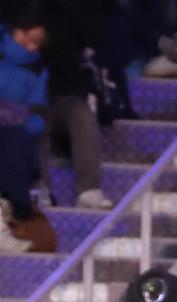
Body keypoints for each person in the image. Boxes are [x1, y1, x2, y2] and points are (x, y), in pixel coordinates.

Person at [40, 0, 114, 210]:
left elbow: (92, 36)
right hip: (26, 101)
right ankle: (38, 191)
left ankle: (89, 190)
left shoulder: (67, 15)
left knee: (81, 114)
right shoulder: (18, 18)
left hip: (62, 97)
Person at [0, 5, 56, 252]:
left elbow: (36, 112)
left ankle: (14, 207)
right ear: (17, 32)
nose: (32, 47)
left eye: (38, 42)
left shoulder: (37, 70)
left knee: (18, 140)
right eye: (31, 38)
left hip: (13, 131)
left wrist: (16, 116)